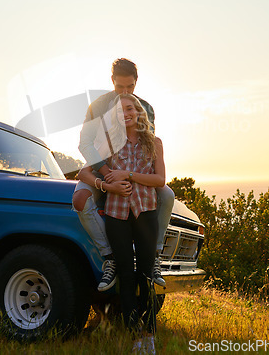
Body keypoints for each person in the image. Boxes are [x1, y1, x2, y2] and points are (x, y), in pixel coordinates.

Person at [72, 58, 175, 291]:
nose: (125, 92)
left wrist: (128, 176)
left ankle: (154, 256)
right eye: (120, 87)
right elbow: (85, 143)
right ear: (112, 82)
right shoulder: (97, 106)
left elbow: (146, 148)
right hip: (102, 169)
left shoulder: (146, 107)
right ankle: (110, 257)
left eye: (130, 87)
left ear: (136, 82)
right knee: (80, 200)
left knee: (168, 196)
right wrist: (108, 174)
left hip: (132, 173)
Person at [78, 93, 164, 352]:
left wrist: (128, 174)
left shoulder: (155, 143)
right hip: (117, 215)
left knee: (146, 274)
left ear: (139, 112)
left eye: (130, 108)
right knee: (126, 274)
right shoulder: (107, 143)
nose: (125, 113)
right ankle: (134, 335)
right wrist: (106, 185)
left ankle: (149, 332)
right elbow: (84, 172)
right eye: (119, 110)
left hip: (146, 212)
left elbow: (160, 180)